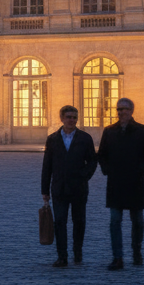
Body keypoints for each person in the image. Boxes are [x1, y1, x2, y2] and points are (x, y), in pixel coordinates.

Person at [96, 97, 144, 270]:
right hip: (115, 182)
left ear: (132, 111)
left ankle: (136, 250)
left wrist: (140, 170)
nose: (122, 112)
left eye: (125, 109)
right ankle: (118, 257)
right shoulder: (109, 131)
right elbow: (101, 155)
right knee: (115, 221)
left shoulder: (143, 131)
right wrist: (107, 169)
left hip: (135, 181)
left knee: (137, 220)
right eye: (119, 109)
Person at [41, 105, 98, 266]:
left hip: (79, 187)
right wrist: (45, 190)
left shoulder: (85, 138)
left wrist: (84, 176)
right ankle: (62, 256)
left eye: (74, 117)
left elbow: (93, 161)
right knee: (59, 221)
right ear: (62, 119)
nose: (72, 120)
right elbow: (47, 166)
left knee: (79, 221)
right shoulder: (52, 139)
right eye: (68, 117)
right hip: (59, 187)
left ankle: (78, 252)